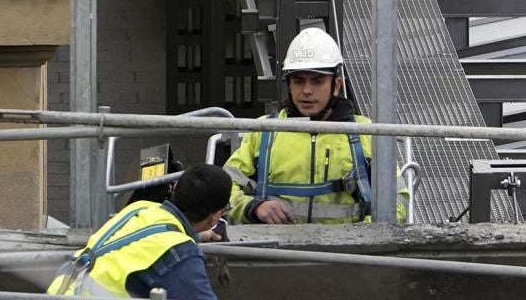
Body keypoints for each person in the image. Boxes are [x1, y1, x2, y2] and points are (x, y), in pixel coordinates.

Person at [225, 28, 400, 223]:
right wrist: (253, 207)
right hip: (278, 248)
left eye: (317, 81)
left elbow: (398, 199)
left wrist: (364, 237)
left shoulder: (365, 133)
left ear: (337, 85)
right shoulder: (264, 131)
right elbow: (224, 189)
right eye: (299, 81)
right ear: (289, 85)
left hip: (346, 250)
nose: (306, 91)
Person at [48, 163, 230, 298]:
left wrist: (196, 236)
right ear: (215, 216)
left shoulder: (139, 209)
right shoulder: (181, 252)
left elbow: (145, 240)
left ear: (175, 188)